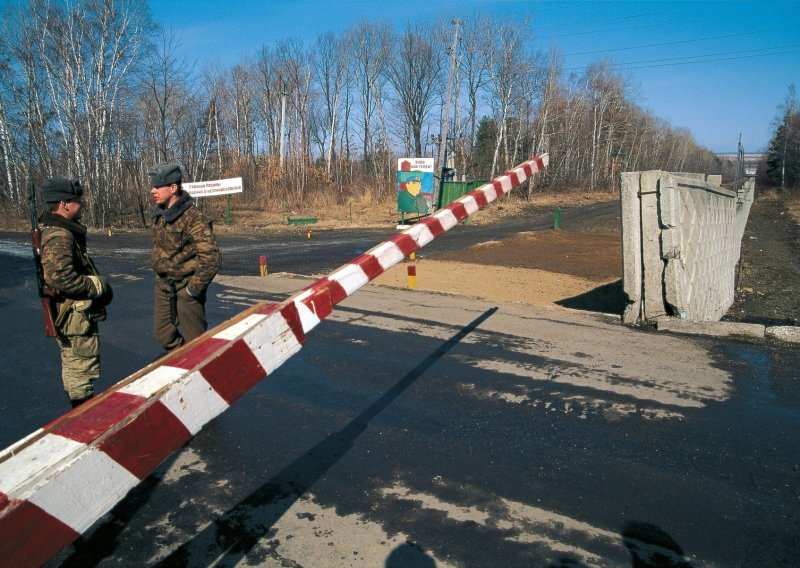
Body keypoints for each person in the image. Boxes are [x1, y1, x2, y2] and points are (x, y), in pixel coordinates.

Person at [39, 178, 112, 407]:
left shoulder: (59, 231)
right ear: (64, 204)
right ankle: (83, 417)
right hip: (74, 315)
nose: (82, 203)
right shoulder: (59, 234)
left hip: (73, 313)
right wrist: (96, 286)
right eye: (77, 199)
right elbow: (60, 277)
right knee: (81, 369)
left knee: (76, 367)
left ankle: (81, 411)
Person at [148, 162, 221, 351]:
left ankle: (203, 373)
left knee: (197, 344)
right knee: (163, 335)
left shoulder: (193, 217)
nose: (152, 190)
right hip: (164, 286)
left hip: (186, 287)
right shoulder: (159, 215)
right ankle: (184, 364)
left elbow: (211, 258)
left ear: (173, 188)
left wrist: (192, 290)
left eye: (157, 186)